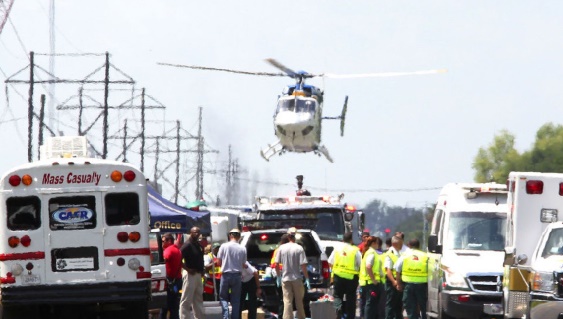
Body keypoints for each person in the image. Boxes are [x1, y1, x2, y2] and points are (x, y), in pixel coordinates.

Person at [274, 227, 310, 319]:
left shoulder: (281, 248)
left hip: (285, 279)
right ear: (295, 237)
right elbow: (303, 266)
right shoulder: (299, 248)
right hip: (297, 278)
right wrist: (307, 278)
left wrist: (278, 276)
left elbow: (276, 264)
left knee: (287, 301)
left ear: (288, 236)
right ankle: (301, 317)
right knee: (299, 301)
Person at [329, 232, 361, 319]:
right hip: (351, 278)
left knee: (337, 297)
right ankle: (350, 317)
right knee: (351, 298)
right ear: (351, 240)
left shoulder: (337, 249)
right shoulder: (355, 250)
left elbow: (330, 262)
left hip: (338, 276)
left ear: (343, 239)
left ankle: (337, 313)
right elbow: (360, 264)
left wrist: (334, 271)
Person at [217, 228, 247, 319]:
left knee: (223, 297)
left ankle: (225, 316)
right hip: (237, 275)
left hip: (225, 275)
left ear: (230, 235)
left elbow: (218, 262)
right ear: (239, 237)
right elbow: (243, 263)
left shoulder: (224, 246)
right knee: (236, 300)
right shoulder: (242, 248)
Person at [395, 239, 428, 319]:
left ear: (409, 245)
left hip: (408, 286)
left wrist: (398, 283)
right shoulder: (425, 256)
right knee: (424, 306)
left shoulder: (405, 255)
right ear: (419, 246)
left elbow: (397, 269)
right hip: (422, 285)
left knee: (410, 306)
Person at [179, 227, 205, 319]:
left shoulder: (198, 245)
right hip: (190, 274)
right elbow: (178, 258)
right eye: (195, 232)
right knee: (186, 299)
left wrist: (202, 271)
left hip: (198, 275)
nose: (197, 234)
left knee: (198, 299)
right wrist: (187, 269)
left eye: (198, 232)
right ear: (190, 233)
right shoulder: (187, 245)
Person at [384, 235, 409, 319]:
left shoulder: (400, 253)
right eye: (400, 244)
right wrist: (394, 282)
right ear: (394, 244)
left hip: (399, 281)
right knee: (391, 303)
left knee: (399, 304)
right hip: (392, 282)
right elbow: (388, 271)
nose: (402, 246)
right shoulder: (389, 254)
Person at [160, 233, 183, 319]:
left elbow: (164, 260)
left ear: (169, 241)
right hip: (177, 281)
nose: (162, 243)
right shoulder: (178, 250)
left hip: (170, 282)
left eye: (163, 241)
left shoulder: (169, 250)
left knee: (165, 305)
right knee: (174, 306)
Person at [360, 236, 383, 319]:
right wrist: (373, 279)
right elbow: (368, 266)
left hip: (367, 282)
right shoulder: (371, 253)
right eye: (377, 243)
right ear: (373, 243)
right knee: (370, 304)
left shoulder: (368, 252)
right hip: (371, 283)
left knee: (371, 304)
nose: (378, 244)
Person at [271, 234, 290, 318]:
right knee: (286, 298)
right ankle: (283, 316)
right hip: (286, 275)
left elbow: (273, 264)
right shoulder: (289, 249)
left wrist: (277, 277)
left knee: (281, 298)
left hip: (278, 274)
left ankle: (281, 315)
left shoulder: (277, 250)